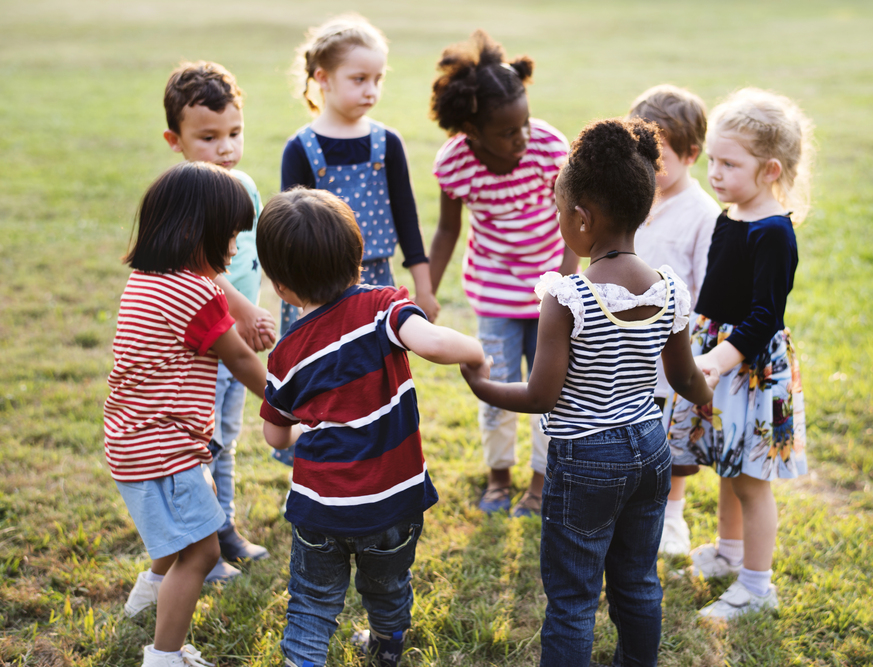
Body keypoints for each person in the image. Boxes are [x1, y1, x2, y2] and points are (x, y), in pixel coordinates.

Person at [461, 118, 717, 666]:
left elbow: (541, 396)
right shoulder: (669, 288)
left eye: (560, 214)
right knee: (638, 581)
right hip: (650, 449)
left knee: (574, 597)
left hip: (585, 460)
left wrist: (485, 386)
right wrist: (705, 391)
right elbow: (684, 376)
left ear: (581, 218)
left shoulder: (568, 295)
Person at [255, 188, 486, 667]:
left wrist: (302, 434)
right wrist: (477, 352)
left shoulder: (285, 356)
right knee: (387, 587)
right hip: (391, 502)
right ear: (359, 258)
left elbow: (275, 436)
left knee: (313, 604)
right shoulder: (383, 307)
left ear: (279, 286)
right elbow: (434, 343)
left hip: (320, 508)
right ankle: (385, 649)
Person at [105, 162, 268, 667]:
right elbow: (238, 359)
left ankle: (146, 600)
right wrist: (287, 401)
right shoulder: (196, 293)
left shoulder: (150, 279)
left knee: (182, 533)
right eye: (229, 236)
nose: (235, 249)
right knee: (201, 553)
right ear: (195, 233)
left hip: (136, 440)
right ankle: (165, 655)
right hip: (162, 446)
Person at [667, 87, 813, 619]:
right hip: (719, 354)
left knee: (752, 480)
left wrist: (718, 359)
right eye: (712, 161)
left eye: (730, 163)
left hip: (750, 367)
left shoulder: (774, 233)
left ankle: (757, 586)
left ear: (771, 170)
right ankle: (729, 553)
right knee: (728, 464)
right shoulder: (730, 217)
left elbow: (765, 316)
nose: (716, 174)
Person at [428, 30, 577, 517]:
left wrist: (564, 284)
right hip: (493, 295)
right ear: (471, 129)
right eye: (508, 132)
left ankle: (539, 483)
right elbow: (449, 231)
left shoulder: (548, 148)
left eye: (525, 124)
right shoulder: (455, 163)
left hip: (549, 293)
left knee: (547, 389)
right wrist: (426, 288)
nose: (522, 138)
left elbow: (574, 220)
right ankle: (497, 478)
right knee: (493, 387)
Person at [161, 61, 273, 581]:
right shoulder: (186, 196)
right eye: (208, 137)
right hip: (201, 351)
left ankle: (223, 528)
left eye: (234, 133)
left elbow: (251, 255)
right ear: (175, 140)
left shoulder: (243, 185)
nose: (225, 148)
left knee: (226, 439)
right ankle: (198, 543)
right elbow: (199, 266)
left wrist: (269, 300)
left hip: (237, 342)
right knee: (199, 445)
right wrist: (245, 310)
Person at [279, 13, 437, 335]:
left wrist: (425, 288)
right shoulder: (300, 148)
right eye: (359, 79)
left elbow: (406, 217)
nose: (371, 90)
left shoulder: (388, 143)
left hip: (376, 281)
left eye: (378, 79)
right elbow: (288, 233)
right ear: (323, 78)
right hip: (315, 284)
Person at [627, 84, 721, 556]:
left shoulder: (703, 214)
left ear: (691, 153)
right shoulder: (636, 197)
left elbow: (706, 290)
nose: (648, 166)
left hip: (671, 347)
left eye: (658, 157)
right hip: (623, 344)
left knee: (670, 441)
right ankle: (627, 502)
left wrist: (693, 351)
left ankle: (672, 515)